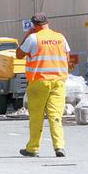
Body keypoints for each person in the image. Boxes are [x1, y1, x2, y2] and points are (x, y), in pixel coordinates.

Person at [16, 13, 70, 158]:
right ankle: (59, 146)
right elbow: (67, 57)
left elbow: (19, 54)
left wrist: (27, 35)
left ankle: (33, 148)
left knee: (36, 116)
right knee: (55, 115)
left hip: (38, 81)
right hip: (58, 82)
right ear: (48, 22)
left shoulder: (33, 38)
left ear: (34, 25)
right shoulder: (60, 37)